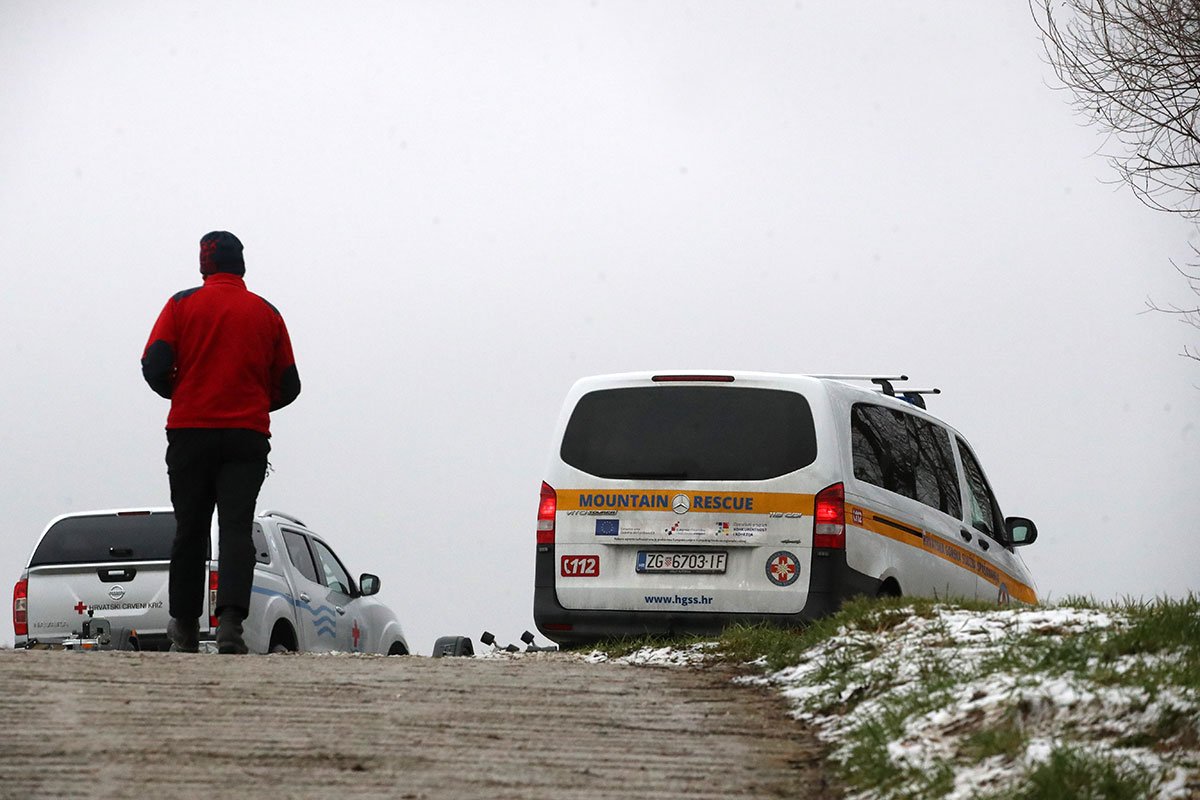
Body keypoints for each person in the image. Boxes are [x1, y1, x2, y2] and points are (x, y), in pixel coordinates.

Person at [141, 231, 300, 654]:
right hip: (246, 436)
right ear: (241, 265)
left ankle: (186, 627)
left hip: (190, 431)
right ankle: (230, 627)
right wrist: (253, 402)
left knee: (190, 529)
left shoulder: (180, 305)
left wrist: (182, 391)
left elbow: (154, 364)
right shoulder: (267, 313)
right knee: (235, 528)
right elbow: (290, 384)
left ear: (203, 265)